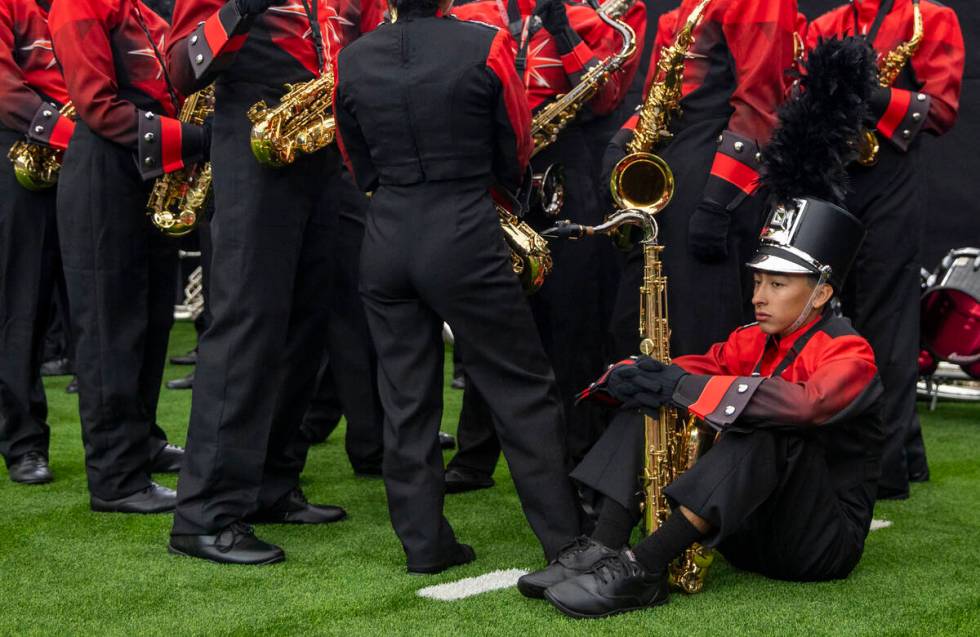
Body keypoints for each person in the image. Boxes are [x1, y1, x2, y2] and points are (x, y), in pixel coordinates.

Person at [519, 35, 886, 619]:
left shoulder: (851, 351)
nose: (758, 294)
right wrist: (653, 377)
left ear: (821, 291)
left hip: (817, 547)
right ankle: (603, 547)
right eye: (758, 280)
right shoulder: (753, 338)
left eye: (778, 284)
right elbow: (706, 368)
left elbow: (806, 406)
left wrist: (683, 388)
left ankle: (644, 567)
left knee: (765, 424)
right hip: (749, 533)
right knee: (660, 388)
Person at [334, 0, 583, 574]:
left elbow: (357, 160)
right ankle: (563, 543)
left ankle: (425, 545)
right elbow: (515, 145)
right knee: (520, 386)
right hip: (464, 224)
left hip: (387, 229)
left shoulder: (352, 58)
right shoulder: (485, 44)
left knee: (404, 398)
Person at [164, 0, 384, 564]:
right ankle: (206, 513)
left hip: (322, 149)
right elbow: (181, 69)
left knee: (308, 324)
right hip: (254, 139)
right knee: (247, 323)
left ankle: (271, 483)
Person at [443, 0, 647, 490]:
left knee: (573, 323)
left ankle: (576, 453)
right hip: (496, 169)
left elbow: (606, 97)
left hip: (566, 167)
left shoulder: (605, 14)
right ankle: (475, 456)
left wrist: (562, 29)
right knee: (488, 319)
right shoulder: (474, 12)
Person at [807, 0, 964, 500]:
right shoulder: (825, 25)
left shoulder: (929, 18)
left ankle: (883, 472)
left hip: (892, 173)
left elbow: (941, 109)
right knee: (834, 313)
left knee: (887, 324)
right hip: (835, 172)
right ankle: (904, 454)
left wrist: (869, 96)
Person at [48, 0, 199, 511]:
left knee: (152, 322)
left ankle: (143, 443)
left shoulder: (144, 10)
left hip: (148, 174)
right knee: (111, 327)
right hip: (104, 175)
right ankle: (115, 479)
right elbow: (98, 105)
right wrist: (196, 139)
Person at [0, 0, 74, 485]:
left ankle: (135, 440)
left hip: (91, 146)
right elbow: (5, 91)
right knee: (21, 305)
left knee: (114, 305)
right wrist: (82, 133)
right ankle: (23, 442)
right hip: (22, 148)